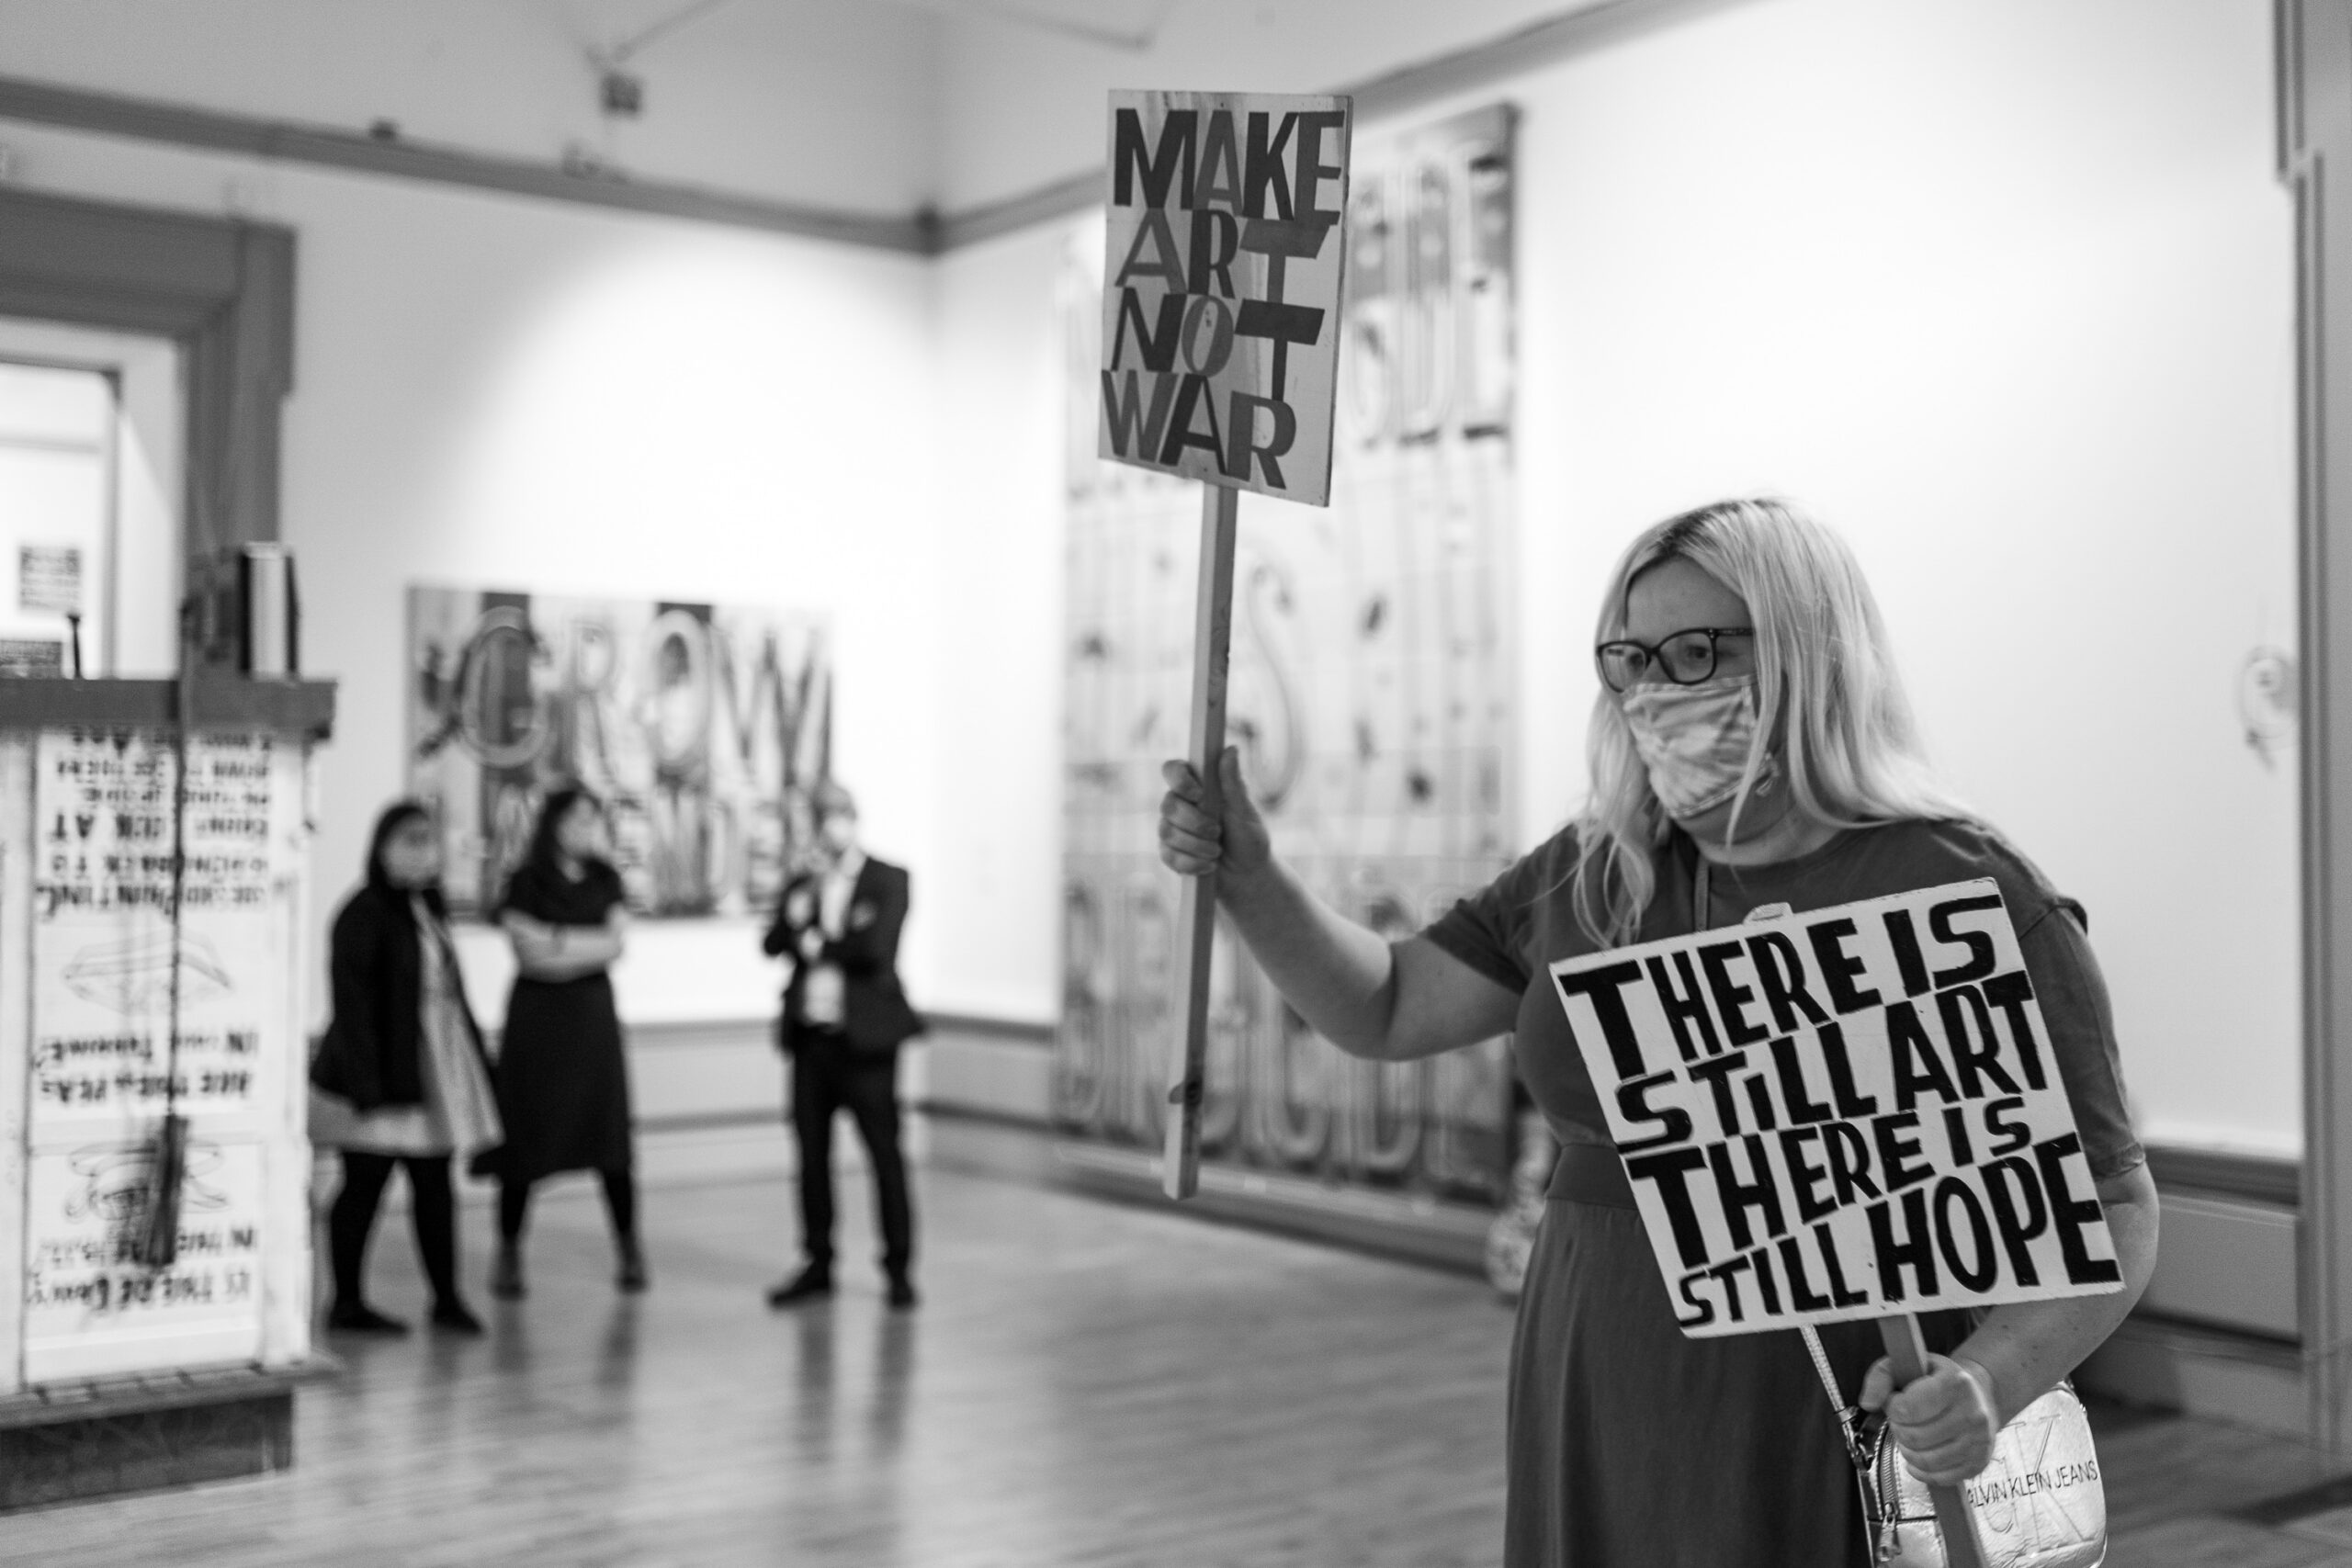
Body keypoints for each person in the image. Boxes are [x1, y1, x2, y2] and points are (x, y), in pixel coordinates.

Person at [1158, 497, 2160, 1565]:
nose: (1652, 691)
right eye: (1627, 659)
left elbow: (2112, 1199)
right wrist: (1251, 880)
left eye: (1694, 653)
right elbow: (1389, 1006)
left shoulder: (1960, 886)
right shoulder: (1599, 871)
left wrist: (1986, 1379)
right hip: (1594, 1366)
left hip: (1825, 1405)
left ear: (1804, 655)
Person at [311, 801, 503, 1336]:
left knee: (435, 1185)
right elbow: (352, 1008)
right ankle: (345, 1301)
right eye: (408, 840)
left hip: (432, 1068)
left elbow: (451, 995)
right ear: (381, 847)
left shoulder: (428, 909)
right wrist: (369, 1088)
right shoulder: (363, 912)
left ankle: (446, 1299)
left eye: (428, 840)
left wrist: (479, 1074)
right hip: (376, 1075)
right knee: (364, 1184)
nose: (421, 851)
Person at [763, 783, 926, 1309]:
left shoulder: (887, 878)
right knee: (811, 1157)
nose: (831, 827)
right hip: (812, 1041)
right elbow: (771, 943)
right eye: (822, 818)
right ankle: (817, 1260)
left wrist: (813, 941)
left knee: (884, 1155)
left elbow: (873, 948)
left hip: (866, 1043)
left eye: (839, 816)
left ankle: (898, 1267)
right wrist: (798, 908)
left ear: (853, 819)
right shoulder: (804, 883)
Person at [486, 784, 646, 1298]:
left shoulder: (606, 878)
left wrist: (554, 940)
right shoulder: (526, 880)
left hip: (591, 1023)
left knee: (610, 1142)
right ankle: (508, 1253)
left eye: (592, 821)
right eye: (576, 820)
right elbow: (528, 955)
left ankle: (629, 1249)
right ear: (553, 823)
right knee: (524, 1139)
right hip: (537, 1023)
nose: (585, 830)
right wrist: (586, 946)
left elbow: (616, 944)